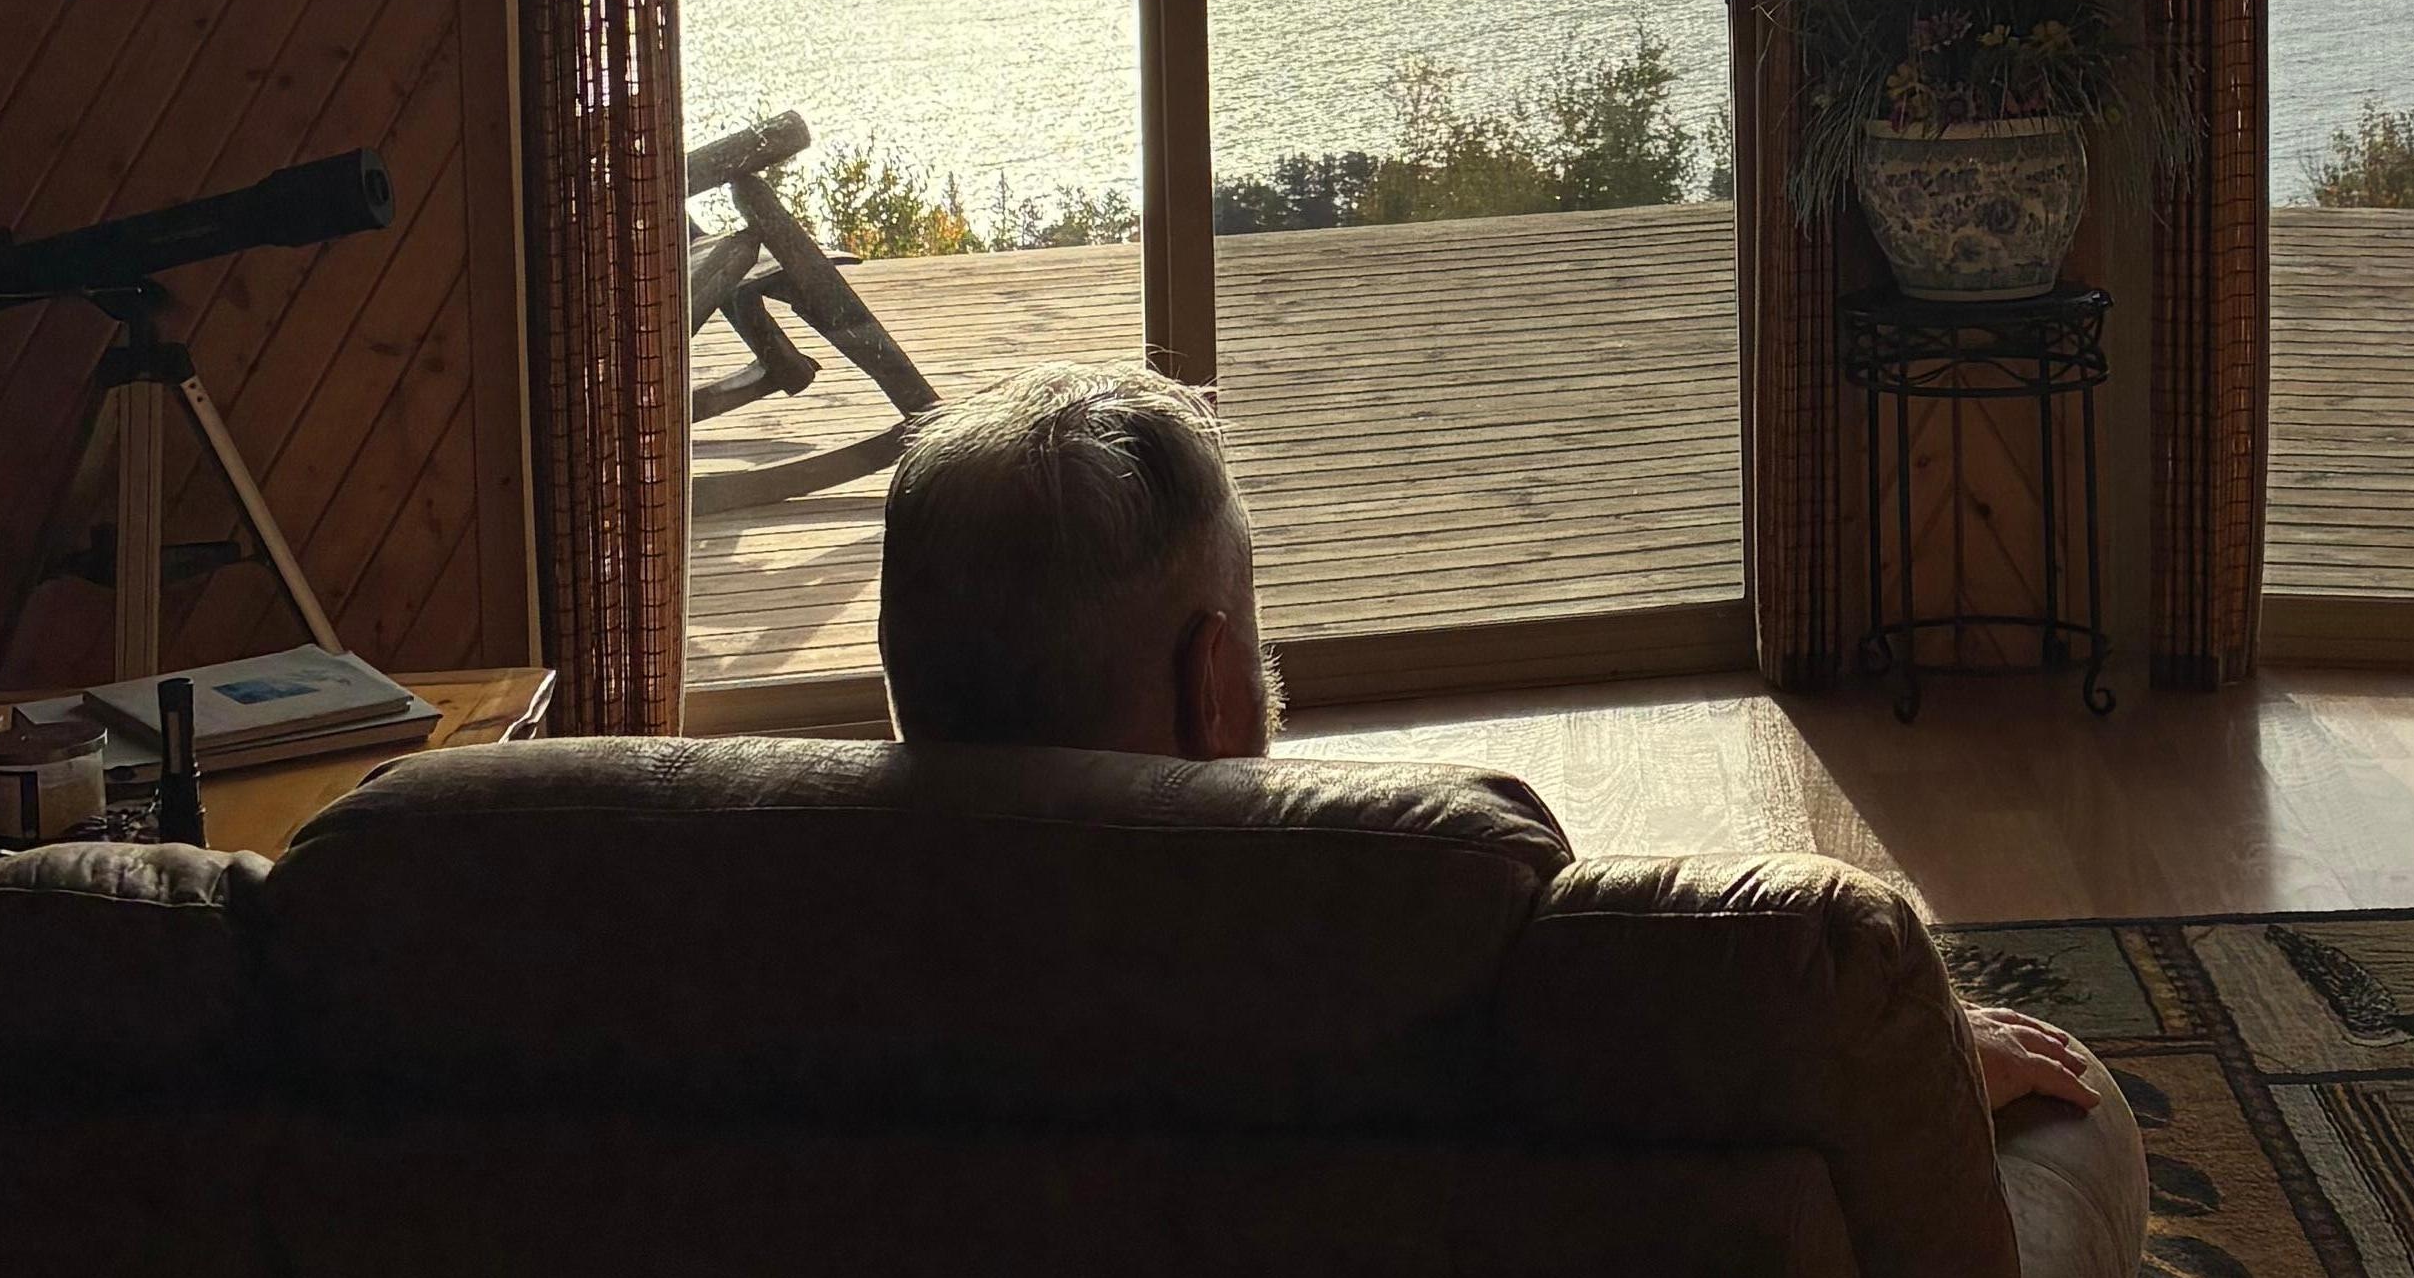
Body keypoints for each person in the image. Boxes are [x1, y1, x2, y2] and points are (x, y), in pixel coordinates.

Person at [873, 369, 2107, 1128]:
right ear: (1211, 685)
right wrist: (1918, 1061)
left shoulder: (792, 926)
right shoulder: (1428, 938)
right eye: (1253, 622)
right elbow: (1798, 1018)